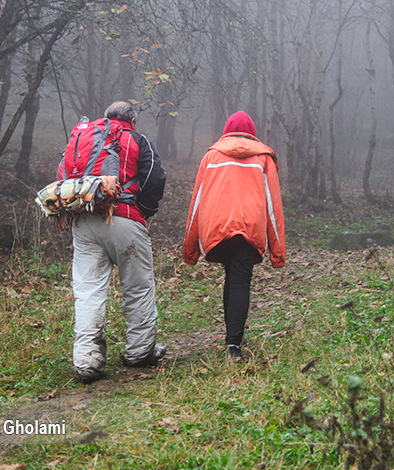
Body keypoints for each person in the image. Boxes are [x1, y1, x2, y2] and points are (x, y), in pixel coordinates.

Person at [67, 101, 167, 383]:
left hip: (84, 220)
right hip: (124, 219)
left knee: (88, 291)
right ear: (132, 120)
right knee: (137, 286)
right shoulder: (135, 138)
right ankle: (140, 351)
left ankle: (87, 361)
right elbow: (154, 178)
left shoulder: (84, 137)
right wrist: (142, 212)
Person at [182, 111, 285, 359]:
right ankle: (234, 344)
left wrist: (190, 248)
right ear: (253, 132)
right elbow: (273, 206)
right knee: (239, 279)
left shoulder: (211, 156)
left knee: (232, 277)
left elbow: (196, 202)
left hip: (216, 229)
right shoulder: (263, 158)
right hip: (250, 228)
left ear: (226, 130)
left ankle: (233, 338)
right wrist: (277, 252)